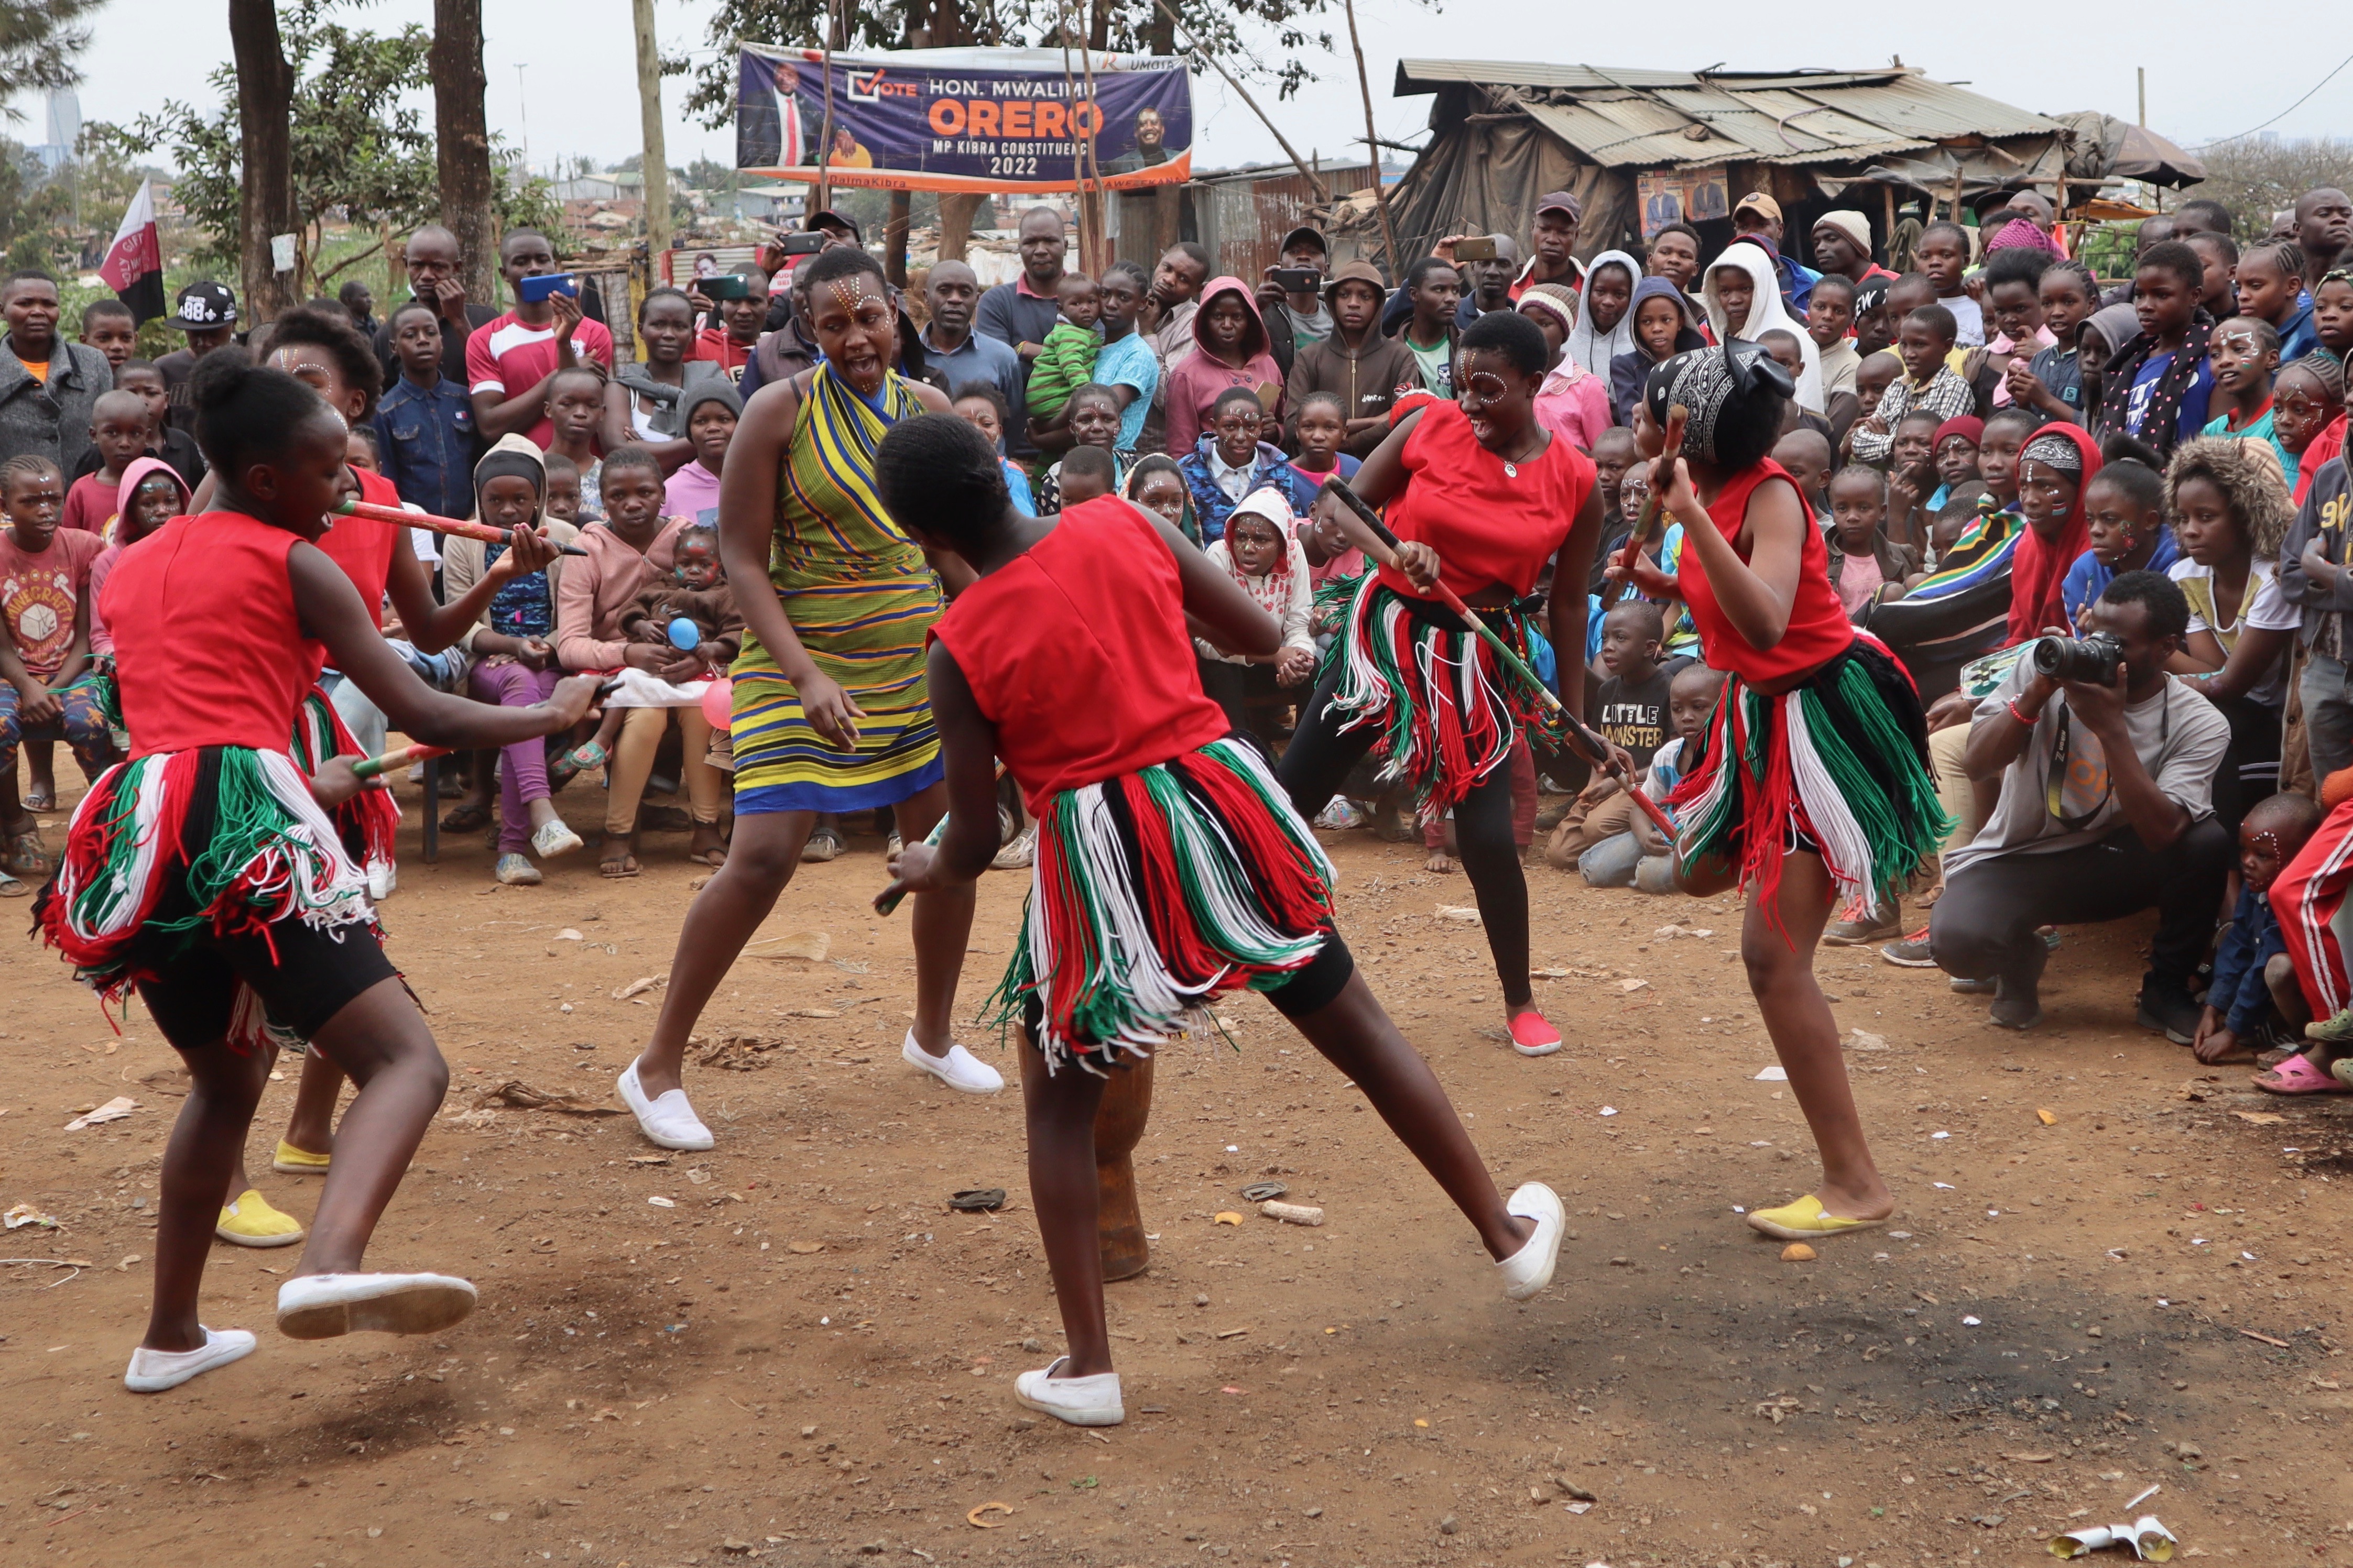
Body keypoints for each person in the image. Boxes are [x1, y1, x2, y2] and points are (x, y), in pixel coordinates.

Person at [870, 410, 1563, 1429]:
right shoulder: (1123, 522)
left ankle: (1089, 1363)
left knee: (1058, 1108)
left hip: (1103, 848)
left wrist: (928, 861)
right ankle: (1505, 1236)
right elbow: (1252, 632)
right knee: (1358, 1025)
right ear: (1000, 474)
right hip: (1222, 799)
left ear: (919, 535)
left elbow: (975, 835)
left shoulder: (955, 643)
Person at [35, 353, 597, 1390]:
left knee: (226, 1074)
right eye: (329, 471)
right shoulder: (296, 560)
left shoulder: (140, 559)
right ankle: (328, 1266)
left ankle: (169, 1334)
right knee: (407, 1062)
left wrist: (300, 770)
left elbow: (188, 701)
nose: (346, 492)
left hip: (139, 820)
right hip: (238, 807)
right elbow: (424, 706)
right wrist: (548, 713)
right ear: (264, 477)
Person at [622, 244, 994, 1155]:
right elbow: (744, 558)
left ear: (895, 315)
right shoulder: (775, 413)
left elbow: (952, 550)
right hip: (802, 659)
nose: (856, 336)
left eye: (868, 316)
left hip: (916, 662)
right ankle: (656, 1066)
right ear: (809, 332)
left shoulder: (932, 411)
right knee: (761, 858)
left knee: (943, 846)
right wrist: (804, 675)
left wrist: (991, 623)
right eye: (833, 323)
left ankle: (933, 1034)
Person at [1611, 339, 1944, 1240]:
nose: (1636, 424)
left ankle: (1856, 1182)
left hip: (1824, 719)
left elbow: (1763, 613)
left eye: (1648, 413)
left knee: (1772, 959)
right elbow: (1723, 607)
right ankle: (1851, 1172)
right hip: (1760, 716)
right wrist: (1654, 573)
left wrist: (1688, 519)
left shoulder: (1767, 494)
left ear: (1689, 433)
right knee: (1699, 876)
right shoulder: (1707, 492)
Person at [1279, 311, 1605, 1058]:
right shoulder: (1428, 423)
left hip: (1474, 661)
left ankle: (1519, 1001)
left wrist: (1574, 720)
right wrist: (1398, 552)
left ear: (1534, 383)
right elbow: (1343, 506)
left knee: (1489, 840)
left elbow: (1565, 601)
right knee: (1288, 798)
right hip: (1384, 644)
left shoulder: (1575, 479)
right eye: (1463, 386)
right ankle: (1216, 939)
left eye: (1489, 389)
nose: (1471, 404)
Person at [1930, 571, 2230, 1038]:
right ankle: (2020, 959)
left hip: (2120, 862)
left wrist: (2111, 727)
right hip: (2022, 855)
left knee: (2206, 841)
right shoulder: (2045, 667)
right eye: (2094, 635)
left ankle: (2165, 989)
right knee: (1957, 944)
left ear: (2166, 647)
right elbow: (1977, 764)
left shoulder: (2200, 722)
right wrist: (2035, 694)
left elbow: (2163, 833)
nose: (2098, 650)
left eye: (2120, 644)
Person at [551, 444, 726, 874]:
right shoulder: (585, 548)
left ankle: (707, 827)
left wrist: (701, 655)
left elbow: (730, 608)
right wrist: (628, 651)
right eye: (618, 495)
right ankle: (618, 832)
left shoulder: (691, 540)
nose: (632, 504)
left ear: (663, 493)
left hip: (691, 665)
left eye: (645, 492)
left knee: (702, 712)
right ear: (603, 499)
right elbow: (569, 643)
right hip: (620, 673)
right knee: (646, 716)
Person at [439, 436, 586, 884]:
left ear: (539, 497)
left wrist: (547, 645)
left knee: (528, 698)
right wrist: (511, 645)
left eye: (520, 499)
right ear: (478, 499)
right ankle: (538, 815)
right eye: (495, 500)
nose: (508, 510)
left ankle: (513, 851)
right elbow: (459, 624)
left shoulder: (565, 538)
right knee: (521, 687)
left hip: (553, 664)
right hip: (489, 667)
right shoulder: (461, 540)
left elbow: (579, 614)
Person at [2165, 437, 2298, 829]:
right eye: (2183, 517)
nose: (2190, 531)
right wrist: (2152, 649)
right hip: (2231, 708)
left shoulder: (2272, 579)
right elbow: (2211, 668)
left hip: (2276, 724)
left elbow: (2231, 684)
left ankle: (2228, 870)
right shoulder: (2185, 576)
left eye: (2206, 517)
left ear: (2243, 516)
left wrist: (2153, 659)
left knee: (2202, 730)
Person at [0, 455, 106, 890]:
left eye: (53, 499)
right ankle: (16, 822)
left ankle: (102, 822)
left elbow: (85, 638)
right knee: (0, 722)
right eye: (31, 501)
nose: (46, 509)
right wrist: (28, 686)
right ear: (5, 503)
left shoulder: (83, 547)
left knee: (90, 720)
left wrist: (54, 689)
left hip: (71, 671)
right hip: (9, 673)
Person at [1542, 600, 1682, 869]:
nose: (1608, 646)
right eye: (1605, 637)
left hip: (1646, 785)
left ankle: (1643, 834)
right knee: (1559, 854)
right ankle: (1619, 846)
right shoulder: (1607, 692)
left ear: (1650, 648)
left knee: (1596, 828)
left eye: (1621, 639)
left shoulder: (1669, 689)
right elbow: (1598, 754)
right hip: (1611, 785)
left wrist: (1616, 784)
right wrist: (1595, 786)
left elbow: (1672, 760)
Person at [2197, 796, 2322, 1073]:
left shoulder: (2299, 901)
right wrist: (2213, 1009)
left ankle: (2307, 1038)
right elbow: (2239, 946)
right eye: (2244, 850)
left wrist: (2232, 1032)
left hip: (2321, 1001)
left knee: (2279, 969)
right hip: (2269, 984)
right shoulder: (2256, 887)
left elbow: (2262, 965)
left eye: (2263, 855)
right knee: (2229, 937)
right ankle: (2268, 1022)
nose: (2247, 862)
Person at [1577, 660, 1725, 893]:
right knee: (1593, 867)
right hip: (1662, 834)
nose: (1686, 717)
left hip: (1706, 845)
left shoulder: (1731, 759)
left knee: (1651, 875)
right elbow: (1642, 807)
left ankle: (1654, 872)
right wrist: (1647, 838)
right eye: (1677, 709)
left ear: (1724, 706)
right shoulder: (1669, 755)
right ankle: (1648, 866)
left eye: (1698, 708)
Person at [465, 230, 615, 449]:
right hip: (521, 474)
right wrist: (564, 373)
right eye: (521, 261)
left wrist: (564, 349)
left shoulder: (595, 333)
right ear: (505, 274)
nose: (534, 267)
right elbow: (490, 427)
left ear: (555, 266)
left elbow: (586, 410)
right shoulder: (484, 340)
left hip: (582, 473)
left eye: (542, 259)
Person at [1195, 487, 1315, 745]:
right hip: (1230, 665)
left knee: (1313, 669)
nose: (1248, 548)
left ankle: (1302, 753)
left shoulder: (1294, 555)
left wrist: (1298, 658)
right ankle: (1241, 753)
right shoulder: (1220, 556)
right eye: (1241, 537)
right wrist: (1275, 656)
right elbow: (1207, 644)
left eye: (1261, 540)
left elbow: (1299, 621)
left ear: (1282, 544)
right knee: (1220, 670)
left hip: (1275, 669)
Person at [1284, 261, 1418, 459]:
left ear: (1379, 303)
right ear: (1332, 300)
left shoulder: (1400, 356)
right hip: (1322, 473)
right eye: (1344, 295)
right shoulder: (1310, 357)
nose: (1353, 303)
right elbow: (1292, 426)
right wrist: (1374, 421)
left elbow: (1405, 420)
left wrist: (1343, 440)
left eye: (1365, 296)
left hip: (1382, 472)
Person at [2097, 241, 2215, 460]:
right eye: (2140, 295)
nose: (2145, 305)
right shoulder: (2130, 362)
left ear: (2194, 296)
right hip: (2127, 486)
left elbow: (2220, 444)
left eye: (2161, 296)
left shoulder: (2212, 361)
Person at [605, 287, 734, 475]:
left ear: (691, 333)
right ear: (641, 330)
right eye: (658, 325)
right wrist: (702, 442)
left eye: (680, 326)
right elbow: (620, 455)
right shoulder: (622, 389)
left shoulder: (712, 380)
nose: (669, 334)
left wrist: (643, 448)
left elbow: (735, 439)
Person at [372, 301, 479, 523]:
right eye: (410, 335)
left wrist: (475, 513)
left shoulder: (467, 400)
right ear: (394, 347)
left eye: (431, 333)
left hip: (469, 526)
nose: (422, 340)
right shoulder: (385, 412)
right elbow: (387, 482)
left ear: (441, 341)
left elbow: (480, 463)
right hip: (416, 530)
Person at [0, 270, 111, 475]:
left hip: (84, 502)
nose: (38, 312)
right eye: (25, 304)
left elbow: (111, 435)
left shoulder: (93, 363)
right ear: (2, 311)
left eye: (48, 304)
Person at [1179, 385, 1316, 543]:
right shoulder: (1188, 472)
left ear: (1261, 428)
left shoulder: (1277, 471)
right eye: (1230, 427)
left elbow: (1291, 526)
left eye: (1251, 427)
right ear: (1215, 427)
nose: (1241, 436)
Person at [1163, 277, 1285, 456]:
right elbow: (1181, 451)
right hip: (1210, 477)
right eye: (1218, 316)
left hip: (1263, 475)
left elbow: (1284, 421)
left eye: (1237, 317)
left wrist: (1275, 431)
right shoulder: (1186, 374)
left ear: (1250, 320)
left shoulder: (1268, 365)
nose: (1227, 325)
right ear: (1204, 319)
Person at [372, 226, 498, 389]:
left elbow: (498, 376)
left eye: (438, 267)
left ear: (455, 268)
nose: (426, 276)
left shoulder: (486, 321)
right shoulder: (389, 333)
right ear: (406, 265)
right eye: (417, 266)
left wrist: (460, 322)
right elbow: (381, 399)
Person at [1702, 245, 1823, 413]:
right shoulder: (1732, 342)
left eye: (1745, 289)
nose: (1734, 300)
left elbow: (1809, 414)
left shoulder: (1796, 340)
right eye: (1725, 291)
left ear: (1765, 287)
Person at [919, 261, 1025, 452]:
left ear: (977, 299)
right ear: (927, 297)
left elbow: (1012, 422)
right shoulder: (907, 357)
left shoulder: (1003, 358)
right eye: (944, 291)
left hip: (987, 473)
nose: (955, 299)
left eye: (965, 293)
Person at [1849, 305, 1971, 464]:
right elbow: (1859, 444)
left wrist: (1885, 442)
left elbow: (1938, 448)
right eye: (1904, 344)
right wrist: (1895, 445)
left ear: (1946, 347)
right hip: (1891, 486)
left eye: (1919, 345)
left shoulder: (1954, 388)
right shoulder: (1897, 387)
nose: (1908, 354)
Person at [2059, 454, 2173, 622]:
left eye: (2110, 520)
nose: (2096, 531)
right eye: (2090, 520)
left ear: (2150, 521)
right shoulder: (2083, 573)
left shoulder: (2180, 571)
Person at [1515, 286, 1611, 452]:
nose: (1534, 332)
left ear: (1564, 331)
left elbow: (1603, 453)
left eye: (1545, 324)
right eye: (1526, 324)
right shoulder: (1512, 379)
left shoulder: (1587, 387)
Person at [2007, 259, 2101, 425]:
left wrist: (2047, 401)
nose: (2056, 312)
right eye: (2047, 304)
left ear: (2090, 305)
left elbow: (2097, 426)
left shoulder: (2095, 361)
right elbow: (2022, 423)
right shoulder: (2040, 359)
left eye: (2069, 302)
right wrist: (2023, 399)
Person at [975, 206, 1069, 371]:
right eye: (1030, 242)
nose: (1040, 250)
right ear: (1019, 249)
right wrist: (1068, 357)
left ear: (1066, 246)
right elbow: (996, 364)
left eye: (1050, 241)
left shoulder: (1091, 299)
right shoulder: (996, 302)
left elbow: (1094, 359)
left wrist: (1025, 349)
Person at [1611, 277, 1708, 428]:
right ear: (1636, 327)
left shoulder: (1698, 362)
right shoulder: (1625, 367)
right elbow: (1632, 422)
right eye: (1647, 322)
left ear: (1680, 322)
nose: (1657, 328)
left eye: (1666, 320)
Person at [1086, 261, 1159, 460]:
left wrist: (1045, 437)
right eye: (1105, 294)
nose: (1111, 304)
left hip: (1111, 464)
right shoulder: (1093, 348)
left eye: (1124, 297)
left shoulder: (1139, 355)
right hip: (1079, 457)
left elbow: (1098, 413)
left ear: (1142, 303)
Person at [1823, 464, 1916, 616]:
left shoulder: (1898, 555)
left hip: (1887, 633)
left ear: (1882, 512)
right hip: (1845, 634)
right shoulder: (1821, 558)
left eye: (1864, 508)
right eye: (1842, 509)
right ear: (1832, 511)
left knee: (1916, 582)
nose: (1852, 517)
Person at [2202, 317, 2290, 477]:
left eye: (2239, 349)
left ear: (2272, 359)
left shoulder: (2284, 422)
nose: (2224, 361)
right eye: (2215, 355)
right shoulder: (2212, 430)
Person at [100, 360, 206, 490]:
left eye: (151, 394)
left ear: (166, 400)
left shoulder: (183, 443)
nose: (142, 401)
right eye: (131, 393)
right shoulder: (105, 448)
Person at [153, 281, 238, 437]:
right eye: (195, 334)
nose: (203, 342)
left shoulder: (251, 366)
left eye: (214, 333)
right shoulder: (163, 370)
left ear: (233, 324)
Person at [60, 389, 152, 535]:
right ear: (94, 435)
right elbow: (70, 545)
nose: (124, 443)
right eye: (112, 433)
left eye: (135, 434)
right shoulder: (81, 491)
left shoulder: (155, 487)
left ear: (147, 437)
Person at [1031, 383, 1128, 515]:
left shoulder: (1131, 467)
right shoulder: (1056, 481)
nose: (1097, 427)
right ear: (1073, 428)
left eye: (1107, 419)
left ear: (1120, 424)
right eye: (1086, 421)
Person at [1024, 271, 1102, 426]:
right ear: (1061, 309)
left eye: (1092, 302)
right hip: (1051, 398)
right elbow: (1071, 363)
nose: (1085, 308)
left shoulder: (1081, 331)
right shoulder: (1070, 333)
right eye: (1076, 304)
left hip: (1049, 397)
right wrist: (1087, 391)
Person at [658, 383, 739, 530]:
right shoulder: (671, 491)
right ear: (689, 431)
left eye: (724, 419)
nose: (713, 427)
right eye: (701, 421)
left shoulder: (759, 480)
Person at [1256, 225, 1333, 378]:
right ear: (1280, 265)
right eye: (1294, 252)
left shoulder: (1337, 314)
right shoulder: (1263, 312)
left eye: (1313, 252)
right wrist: (1253, 306)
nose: (1303, 257)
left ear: (1326, 269)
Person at [951, 383, 1036, 516]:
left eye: (987, 424)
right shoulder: (943, 473)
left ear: (1000, 431)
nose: (978, 431)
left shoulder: (1012, 475)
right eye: (966, 424)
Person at [1729, 192, 1820, 313]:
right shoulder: (1724, 284)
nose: (1752, 233)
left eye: (1761, 224)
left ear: (1780, 230)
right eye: (1744, 227)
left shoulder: (1814, 281)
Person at [2235, 240, 2319, 366]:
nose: (2242, 296)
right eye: (2239, 288)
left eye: (2255, 286)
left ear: (2292, 286)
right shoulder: (2242, 337)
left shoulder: (2313, 335)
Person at [1393, 257, 1464, 400]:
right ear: (1414, 295)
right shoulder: (1390, 352)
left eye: (1456, 291)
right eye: (1439, 290)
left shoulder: (1469, 347)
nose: (1451, 298)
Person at [2278, 356, 2345, 499]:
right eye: (2277, 409)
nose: (2284, 420)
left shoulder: (2335, 467)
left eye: (2300, 410)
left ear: (2336, 415)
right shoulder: (2262, 457)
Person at [1565, 250, 1639, 377]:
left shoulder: (1641, 352)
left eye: (1619, 294)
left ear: (1633, 296)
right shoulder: (1564, 348)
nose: (1608, 302)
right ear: (1588, 292)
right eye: (1600, 292)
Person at [690, 266, 768, 377]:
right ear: (721, 303)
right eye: (735, 301)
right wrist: (683, 317)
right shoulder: (701, 350)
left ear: (769, 304)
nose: (744, 311)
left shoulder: (780, 352)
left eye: (754, 302)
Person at [1913, 222, 1982, 346]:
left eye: (1946, 255)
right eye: (1925, 257)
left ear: (1966, 261)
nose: (1934, 262)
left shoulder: (1981, 305)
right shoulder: (1911, 307)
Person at [1515, 191, 1586, 297]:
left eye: (1563, 232)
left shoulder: (1592, 286)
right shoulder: (1510, 285)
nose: (1552, 240)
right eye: (1544, 229)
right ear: (1533, 227)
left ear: (1576, 235)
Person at [1286, 390, 1358, 488]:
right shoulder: (1282, 478)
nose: (1318, 436)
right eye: (1309, 427)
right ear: (1297, 431)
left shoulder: (1355, 468)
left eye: (1330, 428)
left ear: (1344, 432)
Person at [1810, 211, 1897, 289]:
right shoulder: (1824, 294)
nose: (1820, 248)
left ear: (1857, 244)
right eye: (1816, 243)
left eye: (1832, 239)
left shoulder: (1894, 286)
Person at [2296, 189, 2352, 294]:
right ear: (2298, 229)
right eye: (2324, 214)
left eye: (2346, 214)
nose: (2339, 219)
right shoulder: (2281, 289)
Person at [2188, 231, 2241, 327]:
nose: (2190, 277)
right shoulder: (2178, 324)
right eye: (2181, 271)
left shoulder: (2252, 319)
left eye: (2202, 267)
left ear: (2232, 273)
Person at [79, 299, 138, 372]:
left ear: (135, 340)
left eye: (126, 338)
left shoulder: (149, 381)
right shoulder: (69, 381)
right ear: (84, 342)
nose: (117, 346)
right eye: (104, 338)